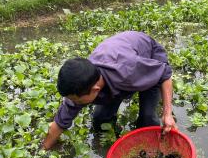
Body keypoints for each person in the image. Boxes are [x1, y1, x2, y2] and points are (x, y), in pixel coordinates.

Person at [42, 31, 177, 150]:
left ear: (95, 90)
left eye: (76, 100)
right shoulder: (81, 84)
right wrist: (44, 149)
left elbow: (165, 74)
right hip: (117, 57)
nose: (73, 103)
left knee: (147, 118)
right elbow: (59, 124)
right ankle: (111, 145)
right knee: (100, 120)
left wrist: (167, 114)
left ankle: (150, 149)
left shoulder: (128, 72)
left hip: (148, 58)